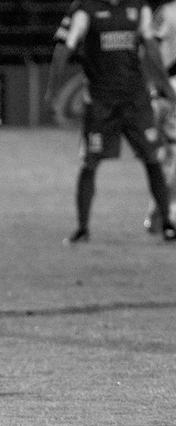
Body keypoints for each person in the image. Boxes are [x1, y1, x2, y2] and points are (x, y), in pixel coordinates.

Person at [45, 0, 176, 243]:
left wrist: (164, 85)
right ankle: (82, 229)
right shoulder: (85, 8)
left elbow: (151, 48)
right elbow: (65, 48)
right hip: (101, 103)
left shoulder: (138, 7)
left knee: (153, 159)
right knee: (89, 163)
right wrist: (52, 90)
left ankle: (167, 223)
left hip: (135, 100)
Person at [144, 0, 176, 233]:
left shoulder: (167, 11)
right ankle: (167, 213)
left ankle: (159, 213)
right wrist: (158, 87)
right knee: (169, 153)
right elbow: (150, 46)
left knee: (168, 155)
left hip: (166, 89)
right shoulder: (168, 12)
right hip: (171, 87)